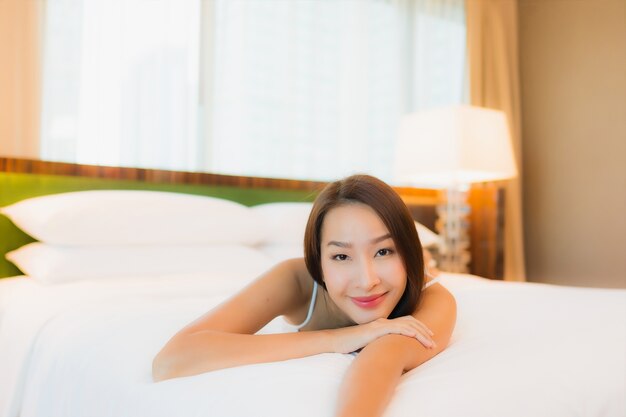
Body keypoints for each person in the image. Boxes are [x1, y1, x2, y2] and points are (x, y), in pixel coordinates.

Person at [152, 174, 457, 417]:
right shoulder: (296, 279)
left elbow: (384, 354)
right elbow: (171, 360)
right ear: (318, 261)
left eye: (383, 251)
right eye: (341, 256)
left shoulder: (435, 299)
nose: (367, 281)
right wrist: (338, 339)